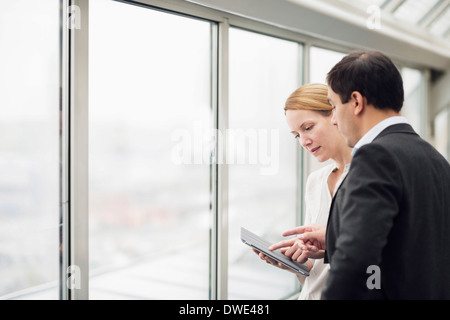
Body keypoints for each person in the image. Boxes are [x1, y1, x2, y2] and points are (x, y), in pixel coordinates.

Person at [271, 50, 450, 299]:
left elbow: (356, 262)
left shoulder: (376, 156)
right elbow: (408, 243)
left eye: (334, 106)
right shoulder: (437, 161)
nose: (334, 119)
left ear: (356, 102)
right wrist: (333, 238)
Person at [253, 83, 352, 300]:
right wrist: (295, 263)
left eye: (308, 128)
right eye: (296, 135)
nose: (304, 142)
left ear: (335, 115)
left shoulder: (370, 179)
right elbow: (316, 270)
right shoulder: (315, 182)